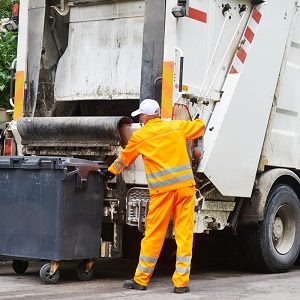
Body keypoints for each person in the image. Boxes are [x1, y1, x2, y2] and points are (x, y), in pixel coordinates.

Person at [103, 99, 205, 293]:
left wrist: (108, 173)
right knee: (184, 235)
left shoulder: (141, 136)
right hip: (185, 189)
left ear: (145, 117)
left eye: (141, 115)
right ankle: (181, 284)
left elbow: (124, 159)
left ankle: (141, 280)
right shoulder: (176, 126)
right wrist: (199, 117)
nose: (140, 118)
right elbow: (198, 128)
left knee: (154, 235)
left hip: (162, 193)